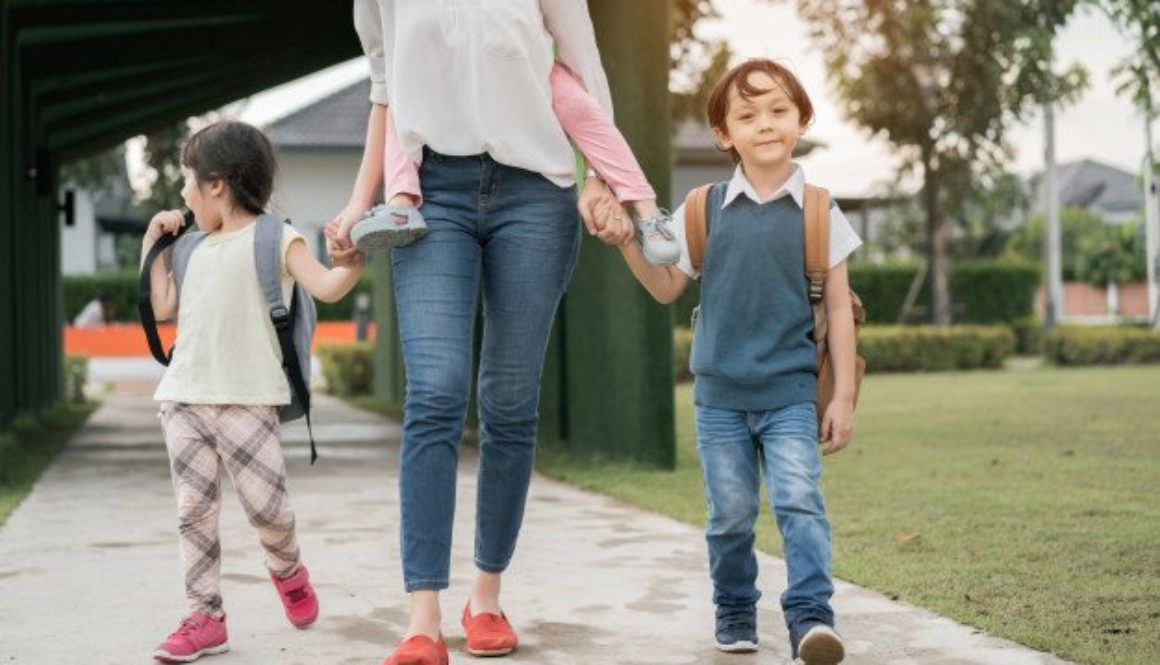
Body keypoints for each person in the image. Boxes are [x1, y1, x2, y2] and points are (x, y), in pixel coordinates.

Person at [327, 3, 636, 663]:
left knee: (509, 399)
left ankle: (486, 596)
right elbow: (386, 92)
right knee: (435, 390)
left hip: (537, 192)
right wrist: (361, 199)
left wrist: (604, 179)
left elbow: (585, 69)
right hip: (429, 191)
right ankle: (423, 617)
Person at [610, 58, 861, 665]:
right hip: (719, 399)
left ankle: (810, 619)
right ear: (724, 135)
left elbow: (840, 313)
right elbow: (667, 286)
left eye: (778, 110)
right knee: (729, 516)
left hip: (791, 396)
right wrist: (626, 243)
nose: (766, 124)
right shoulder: (701, 209)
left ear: (801, 119)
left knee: (800, 501)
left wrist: (843, 396)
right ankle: (734, 608)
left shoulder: (821, 211)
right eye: (747, 115)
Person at [141, 121, 365, 663]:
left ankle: (287, 569)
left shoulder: (275, 237)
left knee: (268, 511)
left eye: (188, 183)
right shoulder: (190, 247)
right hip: (185, 398)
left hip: (247, 399)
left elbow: (327, 287)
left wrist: (351, 263)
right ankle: (204, 615)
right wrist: (156, 244)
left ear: (218, 183)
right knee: (194, 512)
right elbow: (164, 305)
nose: (185, 196)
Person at [348, 61, 680, 266]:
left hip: (523, 63)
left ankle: (649, 214)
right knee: (402, 97)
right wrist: (359, 203)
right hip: (439, 76)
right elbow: (384, 84)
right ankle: (400, 202)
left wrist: (593, 175)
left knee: (580, 108)